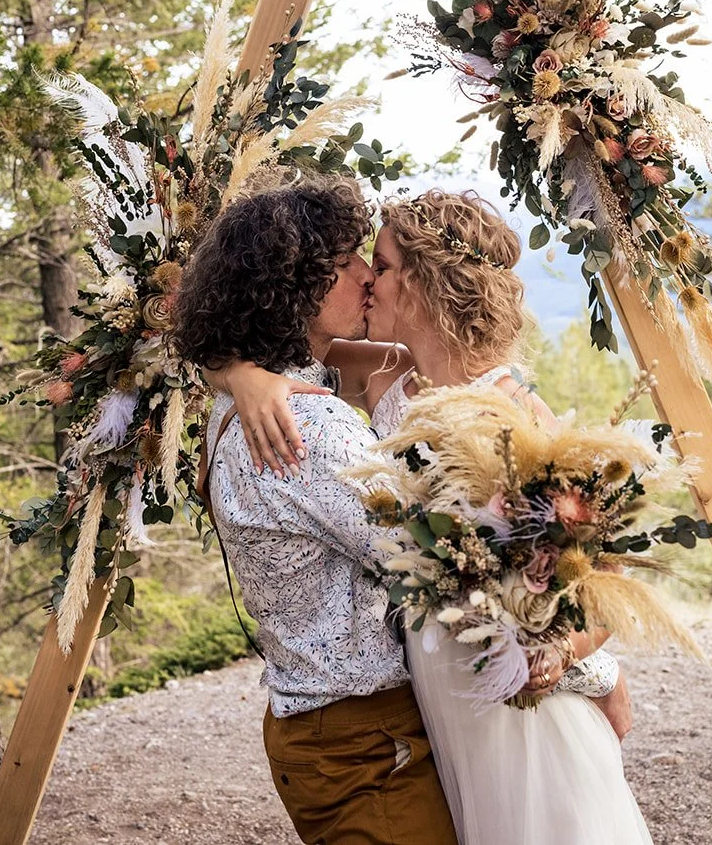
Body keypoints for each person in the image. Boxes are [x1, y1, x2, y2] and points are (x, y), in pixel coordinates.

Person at [218, 189, 655, 845]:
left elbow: (605, 578)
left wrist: (577, 658)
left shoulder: (515, 418)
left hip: (512, 706)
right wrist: (239, 376)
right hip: (435, 699)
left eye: (383, 264)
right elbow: (254, 335)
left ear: (421, 287)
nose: (368, 277)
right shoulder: (387, 377)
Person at [170, 176, 458, 845]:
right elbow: (442, 556)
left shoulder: (245, 403)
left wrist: (230, 368)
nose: (364, 276)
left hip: (320, 729)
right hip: (365, 739)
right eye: (343, 264)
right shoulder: (306, 428)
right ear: (291, 290)